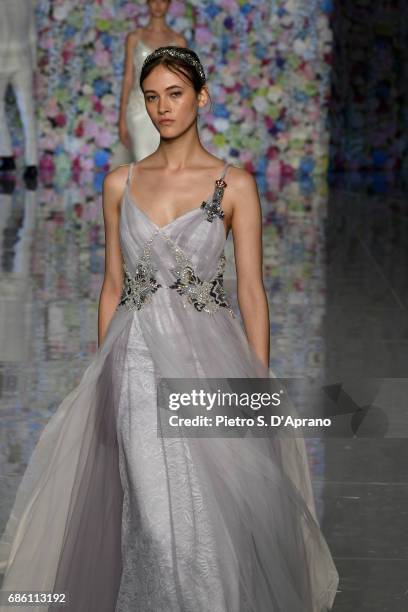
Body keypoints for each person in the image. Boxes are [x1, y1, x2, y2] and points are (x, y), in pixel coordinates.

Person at [0, 47, 339, 611]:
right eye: (152, 96)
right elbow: (112, 287)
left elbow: (251, 292)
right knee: (154, 518)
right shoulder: (119, 183)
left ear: (201, 97)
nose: (162, 108)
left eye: (175, 94)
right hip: (133, 364)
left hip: (212, 362)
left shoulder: (235, 186)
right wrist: (100, 382)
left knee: (214, 516)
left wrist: (253, 389)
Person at [111, 0, 187, 168]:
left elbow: (182, 83)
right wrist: (122, 119)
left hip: (168, 111)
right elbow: (128, 78)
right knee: (142, 161)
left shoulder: (178, 41)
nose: (158, 5)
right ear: (147, 3)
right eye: (153, 0)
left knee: (167, 163)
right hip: (138, 109)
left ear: (169, 4)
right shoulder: (135, 38)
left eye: (163, 1)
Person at [0, 0, 38, 180]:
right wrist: (34, 64)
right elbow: (32, 35)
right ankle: (32, 163)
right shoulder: (25, 2)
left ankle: (6, 156)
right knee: (27, 112)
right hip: (23, 61)